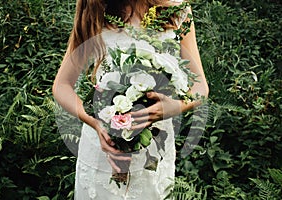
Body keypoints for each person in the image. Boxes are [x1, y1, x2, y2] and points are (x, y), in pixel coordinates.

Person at [53, 0, 209, 199]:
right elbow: (62, 85)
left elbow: (201, 87)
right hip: (104, 145)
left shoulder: (177, 7)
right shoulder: (95, 7)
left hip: (154, 146)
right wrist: (96, 123)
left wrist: (175, 106)